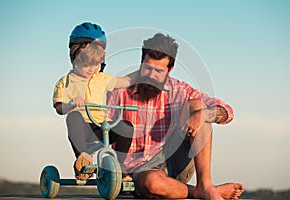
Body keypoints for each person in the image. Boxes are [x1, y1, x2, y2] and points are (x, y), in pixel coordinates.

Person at [107, 33, 244, 199]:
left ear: (170, 69)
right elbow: (103, 131)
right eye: (147, 68)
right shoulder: (120, 91)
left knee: (198, 106)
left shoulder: (180, 90)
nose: (151, 75)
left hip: (174, 158)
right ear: (141, 61)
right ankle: (203, 191)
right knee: (152, 184)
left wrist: (204, 113)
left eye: (158, 71)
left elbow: (227, 112)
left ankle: (205, 184)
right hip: (142, 171)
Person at [52, 22, 138, 180]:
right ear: (74, 57)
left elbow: (126, 81)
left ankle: (119, 166)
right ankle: (83, 158)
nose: (91, 69)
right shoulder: (65, 82)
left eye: (96, 65)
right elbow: (59, 108)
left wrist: (145, 69)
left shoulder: (102, 78)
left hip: (102, 127)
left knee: (126, 126)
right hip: (84, 130)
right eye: (86, 65)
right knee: (74, 117)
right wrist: (71, 105)